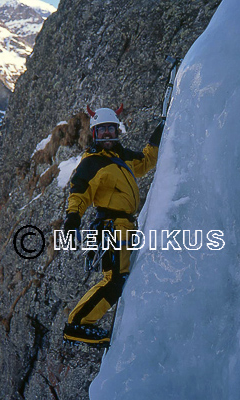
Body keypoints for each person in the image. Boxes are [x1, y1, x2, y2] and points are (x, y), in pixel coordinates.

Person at [63, 104, 164, 346]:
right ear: (95, 134)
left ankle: (80, 323)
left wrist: (160, 134)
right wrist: (72, 217)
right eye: (102, 131)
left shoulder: (121, 157)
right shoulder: (92, 161)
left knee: (119, 277)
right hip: (110, 227)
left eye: (111, 129)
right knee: (114, 278)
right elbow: (80, 190)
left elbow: (146, 161)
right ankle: (77, 325)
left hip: (125, 226)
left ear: (117, 131)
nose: (107, 134)